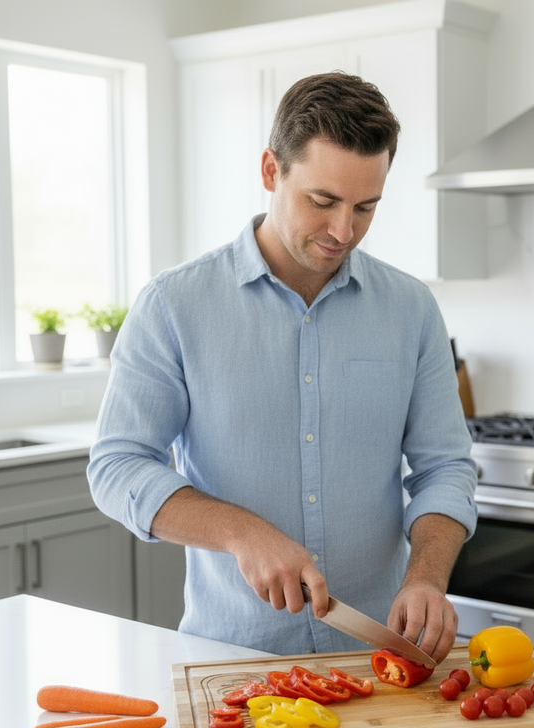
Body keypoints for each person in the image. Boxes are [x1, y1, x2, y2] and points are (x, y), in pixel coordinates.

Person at [88, 71, 477, 663]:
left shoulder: (410, 308)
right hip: (232, 660)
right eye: (322, 201)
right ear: (272, 171)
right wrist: (240, 532)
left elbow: (445, 467)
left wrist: (425, 575)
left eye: (366, 207)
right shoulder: (175, 305)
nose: (343, 231)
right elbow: (116, 468)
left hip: (375, 658)